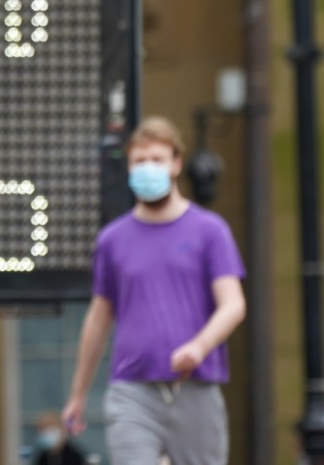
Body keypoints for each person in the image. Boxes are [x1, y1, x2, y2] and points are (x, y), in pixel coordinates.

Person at [61, 116, 246, 465]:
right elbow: (99, 318)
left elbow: (233, 304)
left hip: (195, 390)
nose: (148, 168)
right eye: (140, 161)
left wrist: (199, 346)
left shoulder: (210, 231)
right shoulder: (112, 240)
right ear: (129, 168)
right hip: (132, 391)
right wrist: (78, 394)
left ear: (176, 164)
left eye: (157, 160)